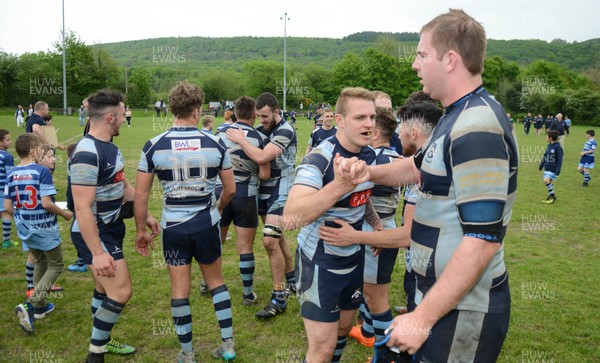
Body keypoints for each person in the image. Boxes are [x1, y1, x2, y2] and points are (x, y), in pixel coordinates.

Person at [337, 9, 518, 361]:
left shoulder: (476, 125)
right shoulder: (455, 115)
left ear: (450, 60)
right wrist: (367, 173)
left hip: (464, 309)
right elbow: (415, 168)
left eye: (421, 55)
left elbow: (481, 241)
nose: (414, 65)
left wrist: (422, 318)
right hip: (442, 296)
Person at [134, 81, 237, 362]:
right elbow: (230, 190)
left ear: (171, 109)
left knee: (180, 291)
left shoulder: (153, 146)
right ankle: (227, 345)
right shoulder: (216, 142)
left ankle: (187, 354)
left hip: (174, 228)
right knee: (216, 282)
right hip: (206, 223)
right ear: (197, 111)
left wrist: (140, 230)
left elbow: (140, 196)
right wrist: (216, 208)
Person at [282, 87, 379, 363]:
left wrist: (376, 224)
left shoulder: (369, 155)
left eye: (372, 117)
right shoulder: (320, 160)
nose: (369, 124)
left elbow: (362, 197)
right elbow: (291, 217)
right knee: (321, 349)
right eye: (360, 117)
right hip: (319, 263)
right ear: (339, 120)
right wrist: (339, 185)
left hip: (352, 258)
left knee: (343, 330)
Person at [70, 90, 160, 362]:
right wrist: (97, 253)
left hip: (110, 229)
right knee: (121, 291)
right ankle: (95, 355)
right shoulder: (87, 152)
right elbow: (82, 208)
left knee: (103, 290)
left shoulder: (109, 146)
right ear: (110, 117)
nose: (123, 120)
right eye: (122, 116)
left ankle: (103, 341)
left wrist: (145, 215)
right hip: (96, 234)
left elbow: (122, 184)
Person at [226, 92, 297, 319]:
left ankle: (279, 297)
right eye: (259, 116)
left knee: (268, 240)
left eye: (265, 116)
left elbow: (262, 157)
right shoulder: (259, 131)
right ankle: (293, 281)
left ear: (277, 112)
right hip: (264, 190)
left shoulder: (286, 130)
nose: (262, 120)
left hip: (282, 190)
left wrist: (241, 140)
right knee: (278, 238)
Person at [8, 134, 72, 334]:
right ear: (32, 151)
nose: (43, 152)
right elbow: (46, 203)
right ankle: (31, 303)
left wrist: (23, 218)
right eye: (40, 149)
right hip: (44, 227)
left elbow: (7, 206)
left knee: (40, 261)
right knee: (56, 264)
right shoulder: (41, 171)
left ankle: (41, 306)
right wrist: (64, 214)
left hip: (24, 229)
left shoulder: (11, 173)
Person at [216, 96, 270, 307]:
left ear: (234, 113)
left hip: (220, 192)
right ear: (254, 115)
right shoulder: (259, 138)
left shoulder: (219, 132)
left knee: (216, 241)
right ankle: (247, 293)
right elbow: (265, 174)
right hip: (245, 195)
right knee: (245, 247)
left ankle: (206, 283)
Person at [65, 143, 88, 272]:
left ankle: (81, 262)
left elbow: (70, 187)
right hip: (95, 204)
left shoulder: (72, 163)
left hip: (80, 205)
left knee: (79, 232)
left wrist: (71, 205)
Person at [0, 129, 16, 249]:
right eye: (8, 139)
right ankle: (6, 241)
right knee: (6, 213)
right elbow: (10, 176)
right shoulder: (7, 156)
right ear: (1, 142)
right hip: (2, 190)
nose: (10, 142)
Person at [373, 91, 403, 155]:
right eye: (382, 110)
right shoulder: (361, 138)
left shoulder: (397, 138)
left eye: (390, 110)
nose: (387, 114)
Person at [539, 130, 563, 204]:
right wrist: (541, 165)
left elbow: (560, 160)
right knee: (549, 182)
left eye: (547, 136)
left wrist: (558, 170)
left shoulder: (558, 147)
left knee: (546, 180)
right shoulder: (549, 145)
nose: (546, 137)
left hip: (553, 168)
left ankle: (552, 195)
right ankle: (550, 196)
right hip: (547, 167)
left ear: (551, 138)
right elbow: (545, 156)